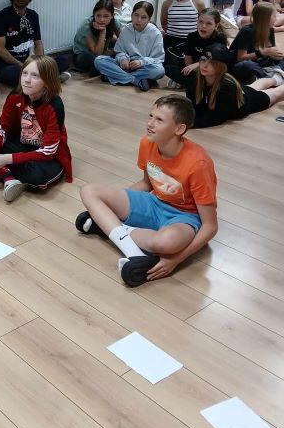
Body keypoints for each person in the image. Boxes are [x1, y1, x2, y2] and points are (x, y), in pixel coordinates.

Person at [76, 95, 218, 287]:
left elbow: (210, 226)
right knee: (89, 190)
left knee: (164, 244)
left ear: (179, 129)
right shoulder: (147, 143)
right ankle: (133, 252)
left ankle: (109, 226)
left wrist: (176, 259)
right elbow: (147, 183)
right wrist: (113, 204)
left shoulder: (199, 163)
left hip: (184, 216)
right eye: (150, 116)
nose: (150, 124)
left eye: (159, 120)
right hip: (154, 203)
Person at [0, 55, 72, 203]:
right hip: (19, 147)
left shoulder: (55, 105)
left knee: (38, 176)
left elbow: (48, 152)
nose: (27, 80)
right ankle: (7, 176)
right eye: (24, 73)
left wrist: (5, 159)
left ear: (48, 81)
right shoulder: (15, 96)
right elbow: (2, 129)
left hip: (46, 157)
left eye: (35, 76)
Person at [0, 0, 70, 86]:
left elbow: (38, 43)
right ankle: (49, 78)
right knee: (14, 73)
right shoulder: (1, 16)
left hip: (29, 63)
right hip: (8, 66)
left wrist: (39, 62)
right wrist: (23, 66)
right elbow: (0, 50)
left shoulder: (33, 15)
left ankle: (40, 77)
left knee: (64, 61)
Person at [185, 43, 284, 128]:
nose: (205, 65)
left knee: (276, 92)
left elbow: (216, 118)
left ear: (221, 66)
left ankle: (277, 79)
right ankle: (277, 78)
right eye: (203, 60)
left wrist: (188, 124)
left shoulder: (227, 87)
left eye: (212, 63)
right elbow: (191, 105)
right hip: (241, 92)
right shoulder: (195, 78)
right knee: (254, 86)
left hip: (247, 102)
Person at [94, 1, 164, 91]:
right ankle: (136, 80)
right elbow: (119, 51)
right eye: (136, 15)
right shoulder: (126, 29)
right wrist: (123, 59)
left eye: (143, 17)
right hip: (126, 66)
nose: (138, 20)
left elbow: (158, 58)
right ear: (131, 15)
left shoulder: (155, 33)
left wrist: (141, 62)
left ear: (149, 19)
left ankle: (115, 76)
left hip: (143, 66)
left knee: (159, 71)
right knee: (99, 60)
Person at [160, 0, 205, 82]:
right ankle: (185, 81)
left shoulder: (198, 2)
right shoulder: (167, 3)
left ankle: (184, 80)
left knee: (193, 67)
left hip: (191, 42)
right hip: (172, 42)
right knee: (168, 68)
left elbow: (203, 22)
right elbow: (164, 23)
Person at [165, 7, 227, 89]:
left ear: (216, 25)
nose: (203, 26)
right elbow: (188, 58)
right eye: (200, 22)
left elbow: (216, 62)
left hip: (210, 70)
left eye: (208, 23)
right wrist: (189, 70)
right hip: (195, 71)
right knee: (168, 68)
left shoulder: (219, 38)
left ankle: (194, 83)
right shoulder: (191, 36)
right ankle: (193, 82)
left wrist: (197, 65)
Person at [230, 1, 284, 83]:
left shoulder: (270, 30)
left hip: (261, 64)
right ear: (265, 18)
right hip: (242, 65)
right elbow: (240, 58)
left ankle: (269, 77)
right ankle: (272, 77)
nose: (276, 19)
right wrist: (263, 52)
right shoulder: (247, 31)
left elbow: (271, 53)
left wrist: (275, 55)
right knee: (248, 65)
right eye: (274, 16)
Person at [73, 0, 121, 76]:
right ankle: (106, 68)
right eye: (98, 16)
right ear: (94, 15)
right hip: (85, 54)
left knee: (121, 52)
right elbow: (97, 54)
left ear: (112, 16)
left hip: (103, 52)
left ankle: (102, 68)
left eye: (106, 16)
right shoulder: (86, 25)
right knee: (88, 57)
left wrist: (113, 51)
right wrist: (103, 32)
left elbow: (124, 42)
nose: (101, 19)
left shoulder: (115, 22)